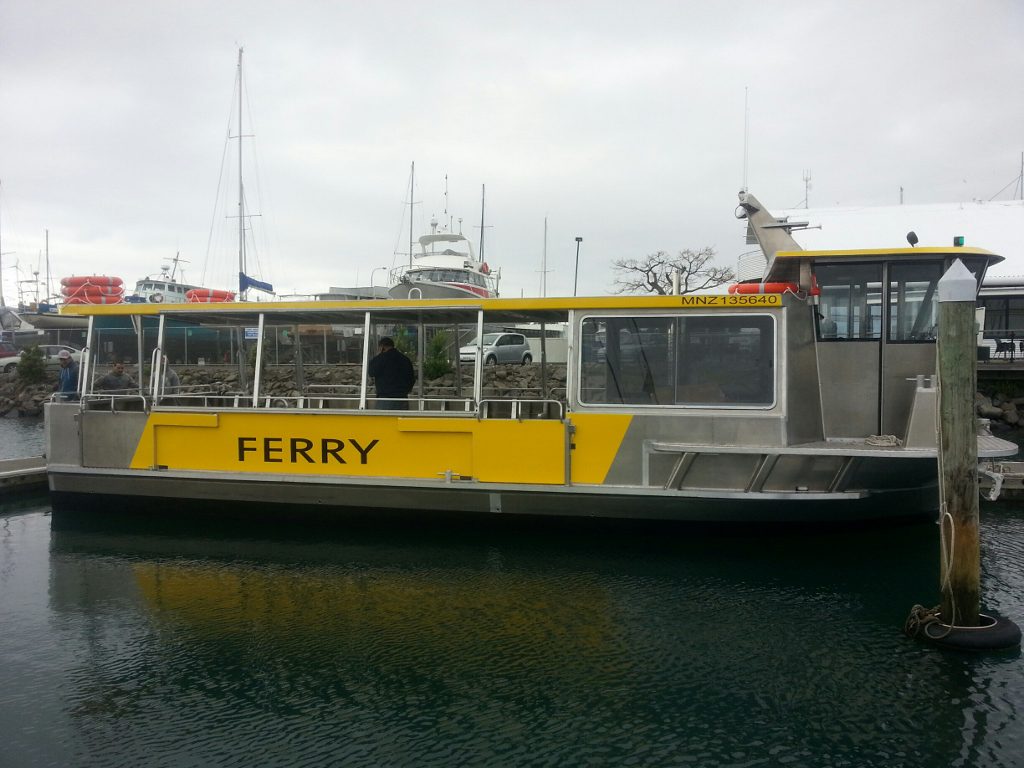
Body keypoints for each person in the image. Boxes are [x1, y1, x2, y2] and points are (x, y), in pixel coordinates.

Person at [367, 336, 415, 409]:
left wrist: (379, 355)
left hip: (385, 399)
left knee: (384, 420)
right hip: (402, 398)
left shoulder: (381, 359)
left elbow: (371, 372)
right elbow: (412, 378)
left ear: (382, 347)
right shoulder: (405, 359)